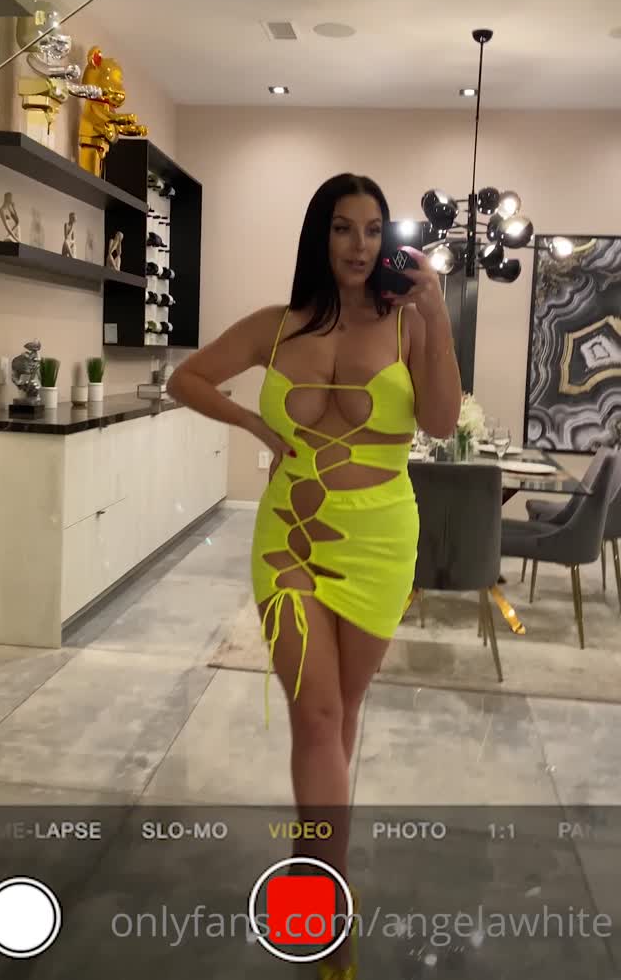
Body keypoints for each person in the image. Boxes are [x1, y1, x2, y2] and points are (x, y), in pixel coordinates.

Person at [167, 173, 461, 978]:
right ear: (318, 237)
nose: (358, 245)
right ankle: (323, 910)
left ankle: (310, 871)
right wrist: (257, 426)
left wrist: (437, 314)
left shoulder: (409, 326)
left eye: (371, 229)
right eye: (341, 228)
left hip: (379, 542)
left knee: (336, 716)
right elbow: (185, 378)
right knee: (319, 712)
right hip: (289, 541)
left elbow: (440, 421)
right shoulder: (277, 324)